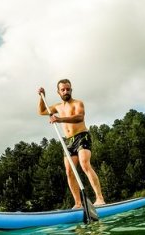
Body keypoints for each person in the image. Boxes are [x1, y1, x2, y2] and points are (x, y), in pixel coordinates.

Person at [38, 79, 105, 208]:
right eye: (63, 89)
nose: (66, 91)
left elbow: (80, 117)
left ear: (71, 90)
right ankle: (78, 203)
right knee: (69, 171)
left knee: (85, 164)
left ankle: (99, 198)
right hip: (69, 141)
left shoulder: (78, 103)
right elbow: (41, 111)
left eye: (68, 89)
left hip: (82, 136)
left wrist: (59, 119)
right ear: (58, 92)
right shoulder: (57, 107)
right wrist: (42, 97)